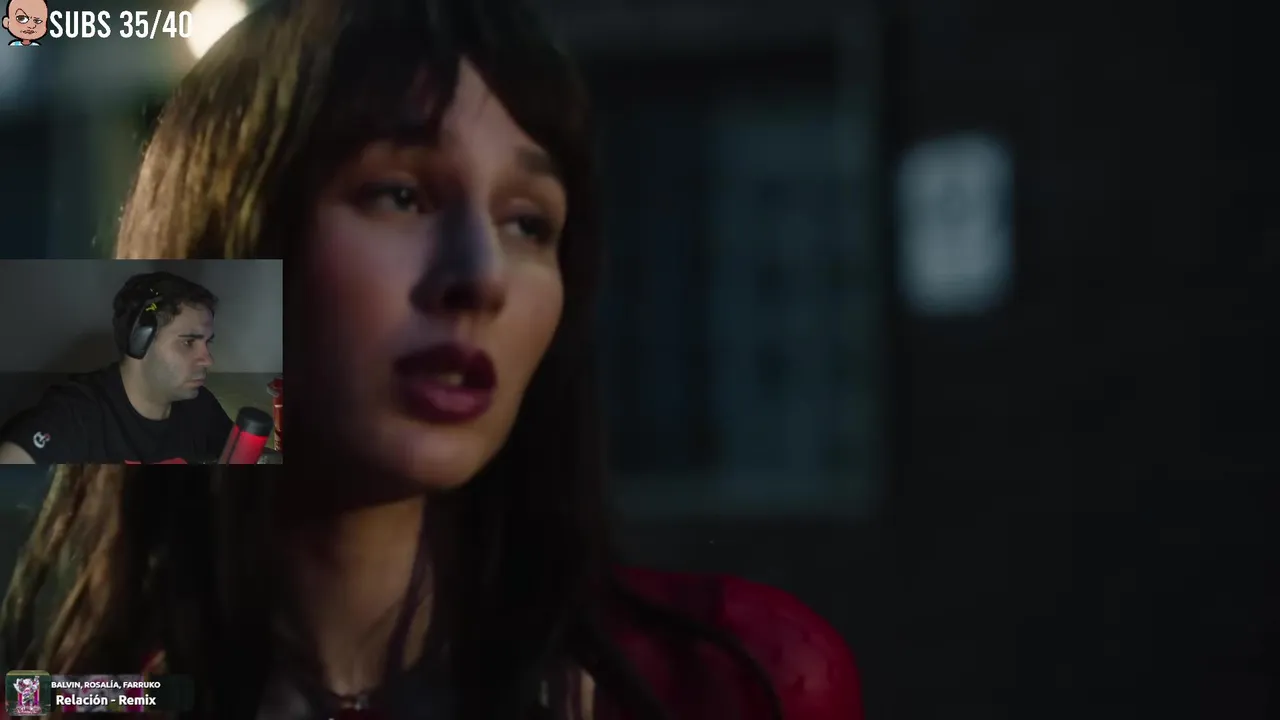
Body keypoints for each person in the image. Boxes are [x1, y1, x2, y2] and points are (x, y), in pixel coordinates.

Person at [1, 1, 860, 718]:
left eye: (528, 222)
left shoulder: (730, 682)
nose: (482, 277)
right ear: (230, 249)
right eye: (401, 195)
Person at [0, 272, 233, 465]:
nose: (208, 360)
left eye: (207, 343)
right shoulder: (77, 414)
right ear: (140, 341)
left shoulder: (201, 406)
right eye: (188, 342)